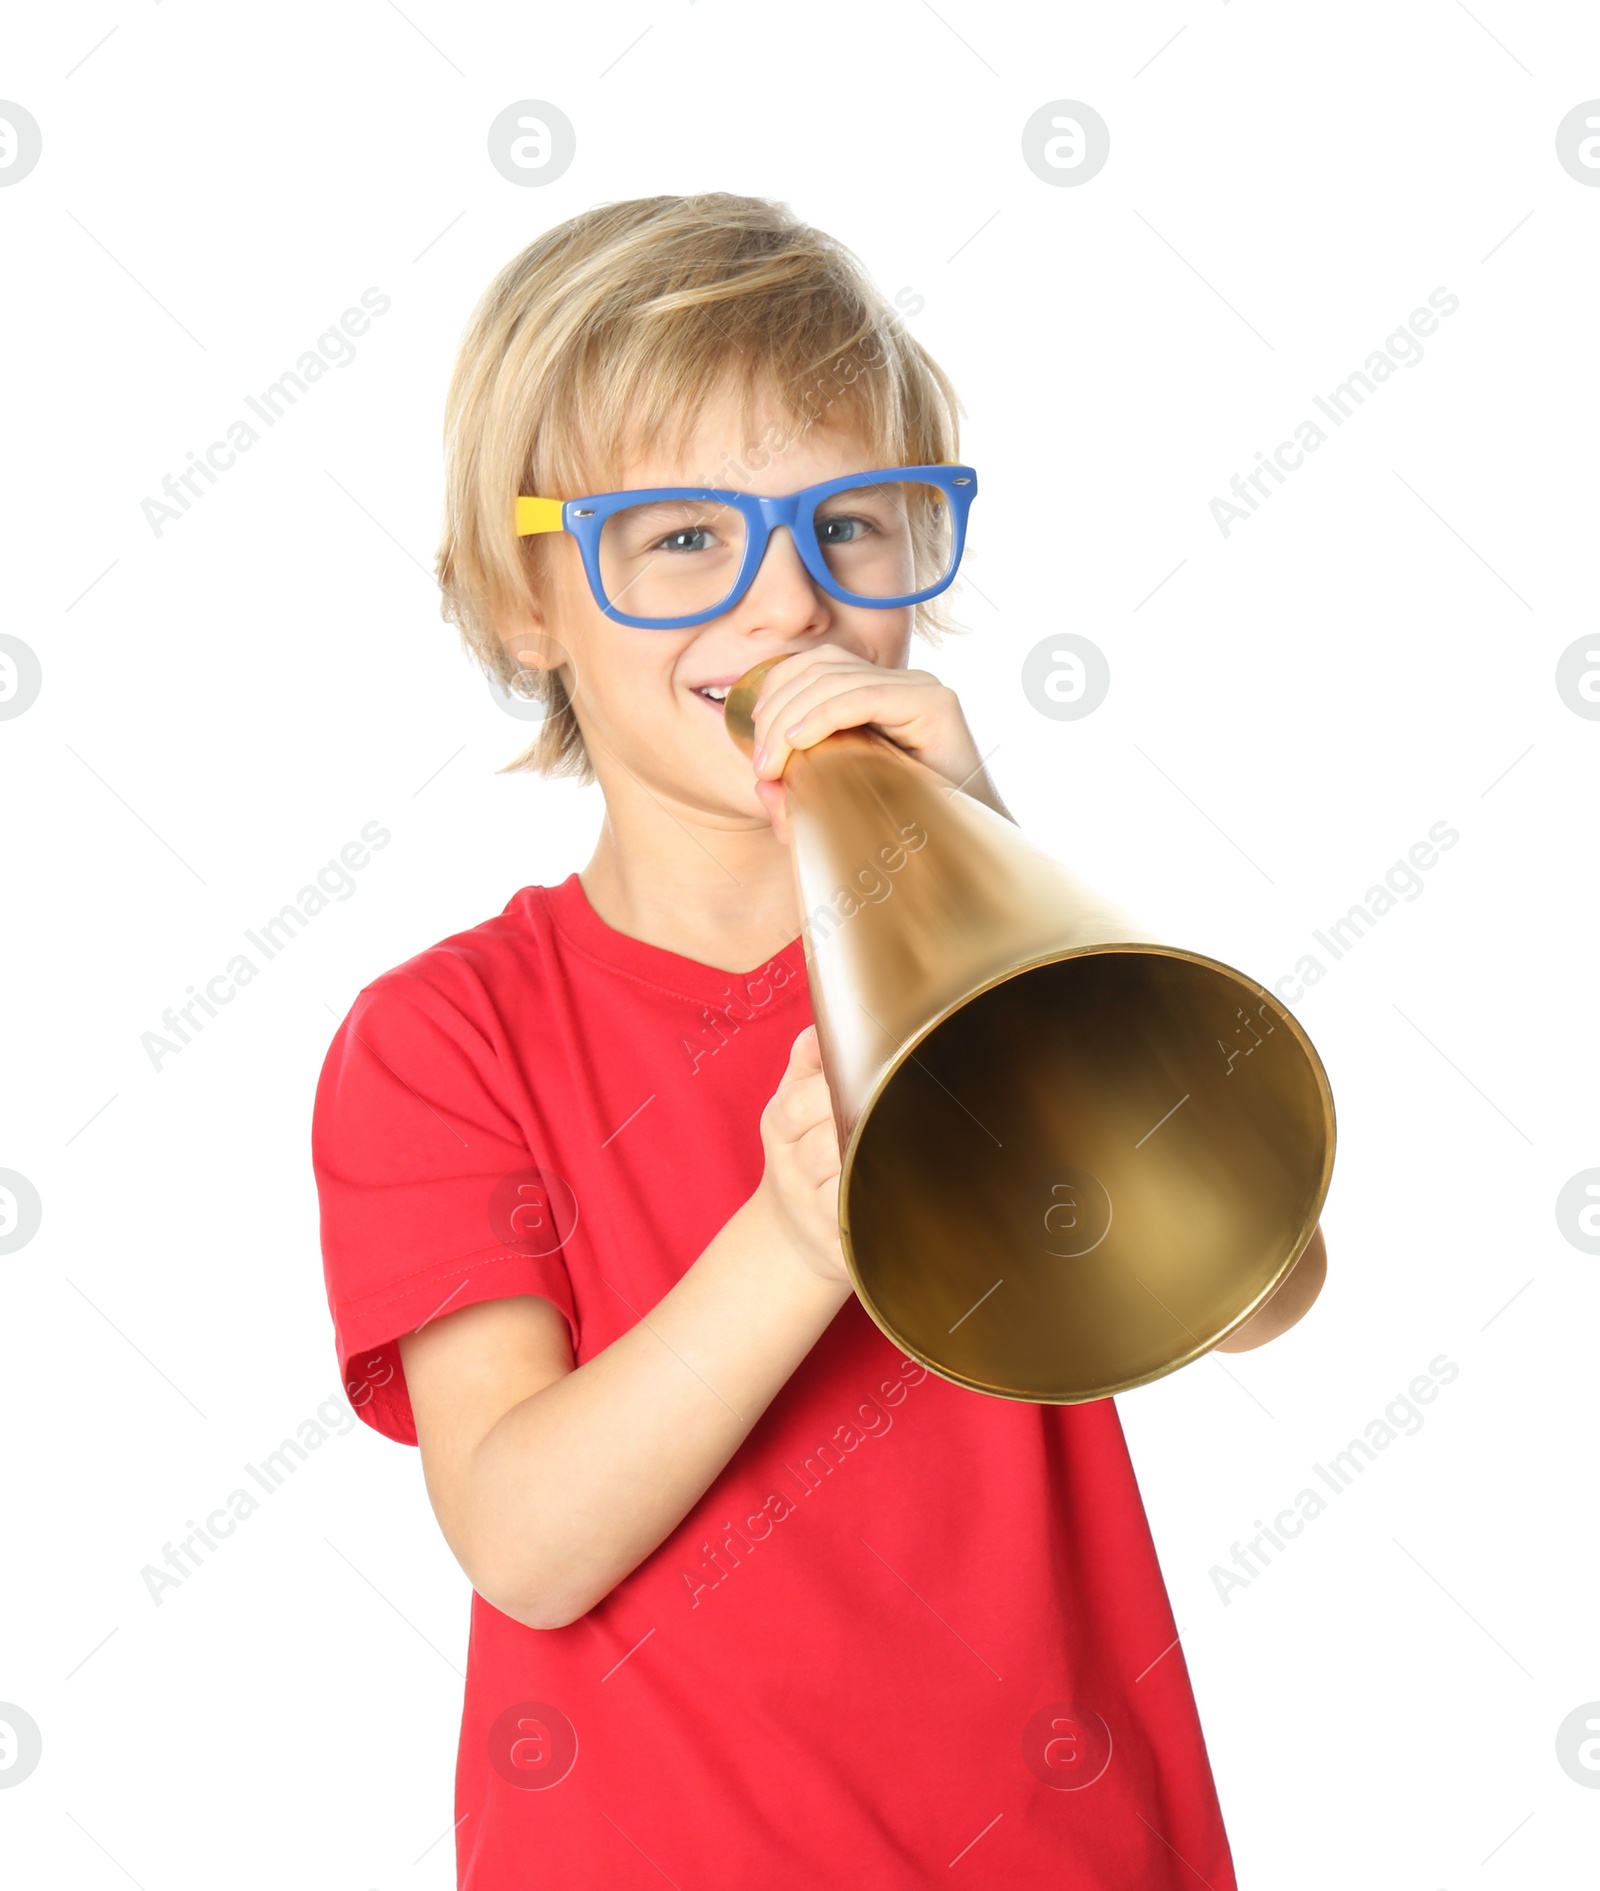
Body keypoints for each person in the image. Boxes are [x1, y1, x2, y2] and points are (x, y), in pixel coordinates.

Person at [312, 191, 1325, 1889]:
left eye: (855, 525)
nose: (787, 606)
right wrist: (796, 1236)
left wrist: (998, 890)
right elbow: (526, 1542)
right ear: (522, 599)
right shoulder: (444, 1037)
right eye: (685, 539)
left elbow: (1262, 1291)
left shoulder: (998, 968)